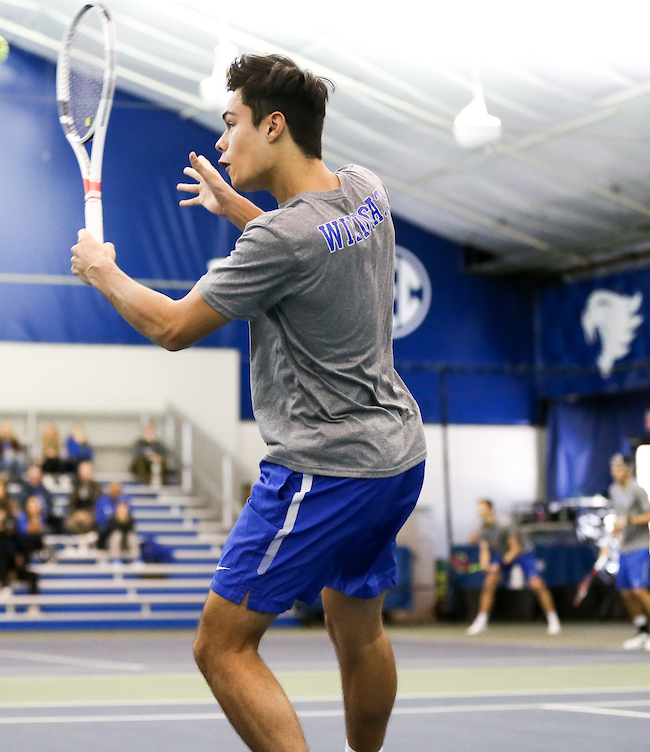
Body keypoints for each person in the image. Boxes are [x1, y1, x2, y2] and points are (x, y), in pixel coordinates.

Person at [70, 53, 426, 752]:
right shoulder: (366, 189)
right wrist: (239, 209)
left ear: (273, 126)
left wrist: (102, 272)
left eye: (231, 125)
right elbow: (312, 243)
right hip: (398, 459)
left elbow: (172, 327)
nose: (222, 143)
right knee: (359, 629)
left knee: (222, 645)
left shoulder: (276, 238)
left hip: (326, 468)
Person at [466, 499, 560, 637]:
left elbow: (515, 549)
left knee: (537, 584)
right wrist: (485, 564)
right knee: (489, 582)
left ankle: (553, 620)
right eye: (478, 509)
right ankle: (481, 621)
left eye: (482, 508)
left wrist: (499, 564)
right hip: (503, 554)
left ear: (490, 509)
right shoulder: (484, 529)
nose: (479, 512)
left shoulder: (505, 524)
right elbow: (484, 550)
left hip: (523, 552)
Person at [610, 453, 650, 652]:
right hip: (624, 548)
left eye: (619, 467)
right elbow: (618, 519)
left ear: (629, 469)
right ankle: (643, 631)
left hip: (640, 547)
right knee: (626, 592)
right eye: (613, 467)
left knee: (639, 590)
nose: (615, 471)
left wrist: (627, 521)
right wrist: (610, 539)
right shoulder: (614, 490)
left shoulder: (638, 490)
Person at [21, 465, 61, 533]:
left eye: (36, 476)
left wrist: (41, 518)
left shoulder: (46, 492)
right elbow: (21, 507)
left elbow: (50, 508)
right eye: (33, 476)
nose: (35, 477)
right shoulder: (24, 492)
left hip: (44, 518)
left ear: (40, 476)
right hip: (27, 518)